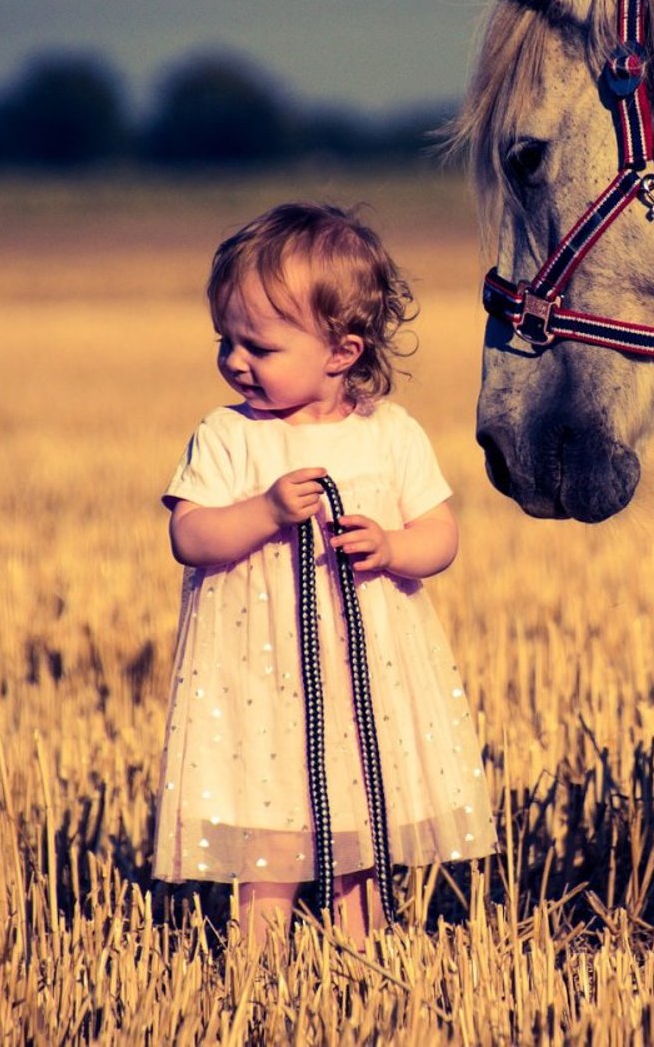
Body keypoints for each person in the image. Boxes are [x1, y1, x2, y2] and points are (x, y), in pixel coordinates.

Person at [152, 202, 496, 947]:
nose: (235, 361)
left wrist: (392, 549)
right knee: (267, 825)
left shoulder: (389, 435)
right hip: (257, 675)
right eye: (226, 341)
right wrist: (266, 511)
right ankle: (259, 964)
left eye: (260, 347)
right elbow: (191, 534)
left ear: (341, 352)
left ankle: (358, 958)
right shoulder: (228, 436)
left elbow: (442, 535)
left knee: (359, 822)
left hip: (364, 673)